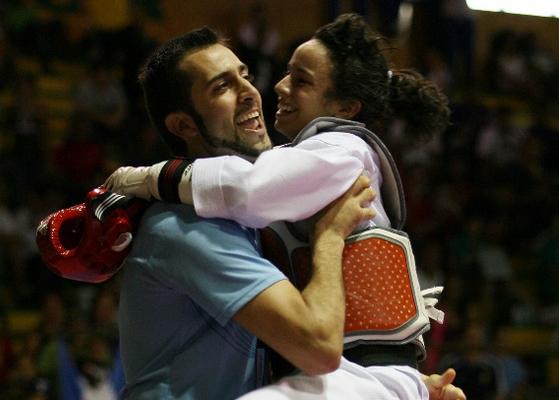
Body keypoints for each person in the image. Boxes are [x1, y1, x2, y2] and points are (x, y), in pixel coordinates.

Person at [106, 14, 464, 400]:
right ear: (183, 125)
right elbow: (317, 347)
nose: (258, 89)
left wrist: (152, 177)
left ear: (346, 106)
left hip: (361, 368)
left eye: (245, 75)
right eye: (223, 86)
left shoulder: (339, 150)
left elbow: (251, 187)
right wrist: (329, 238)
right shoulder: (188, 225)